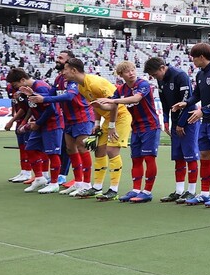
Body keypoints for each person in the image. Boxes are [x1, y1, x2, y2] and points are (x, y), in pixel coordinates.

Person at [50, 58, 132, 201]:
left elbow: (114, 104)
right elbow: (96, 105)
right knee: (99, 150)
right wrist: (97, 123)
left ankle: (113, 190)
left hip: (121, 117)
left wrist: (111, 126)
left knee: (111, 150)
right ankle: (97, 187)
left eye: (65, 70)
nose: (63, 73)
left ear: (74, 70)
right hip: (108, 118)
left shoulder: (95, 83)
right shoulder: (82, 86)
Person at [172, 43, 210, 207]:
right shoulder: (200, 74)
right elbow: (197, 95)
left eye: (194, 57)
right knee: (204, 154)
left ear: (201, 57)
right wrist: (186, 103)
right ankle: (205, 193)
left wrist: (203, 110)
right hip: (206, 120)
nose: (192, 60)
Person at [95, 61, 162, 204]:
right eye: (127, 71)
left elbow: (136, 98)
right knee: (136, 159)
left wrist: (114, 101)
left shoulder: (143, 84)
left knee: (149, 158)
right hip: (136, 127)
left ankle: (147, 192)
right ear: (121, 75)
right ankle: (136, 190)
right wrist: (99, 105)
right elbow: (110, 106)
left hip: (150, 126)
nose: (131, 73)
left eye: (132, 70)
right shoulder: (121, 89)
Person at [145, 56, 200, 203]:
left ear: (162, 68)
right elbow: (164, 103)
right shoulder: (160, 79)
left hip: (189, 119)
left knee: (190, 155)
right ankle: (179, 191)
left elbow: (188, 102)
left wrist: (181, 124)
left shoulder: (180, 76)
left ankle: (191, 191)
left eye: (155, 74)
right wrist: (166, 121)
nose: (154, 77)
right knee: (178, 156)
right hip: (176, 122)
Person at [41, 50, 95, 195]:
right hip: (68, 119)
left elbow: (69, 97)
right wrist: (34, 95)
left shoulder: (76, 80)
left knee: (82, 148)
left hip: (82, 117)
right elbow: (51, 94)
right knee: (70, 149)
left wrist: (44, 99)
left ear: (70, 64)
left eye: (61, 58)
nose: (57, 60)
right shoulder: (59, 79)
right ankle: (78, 182)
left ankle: (87, 184)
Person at [6, 67, 64, 194]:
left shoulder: (41, 87)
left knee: (52, 153)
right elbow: (32, 107)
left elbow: (51, 109)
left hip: (52, 124)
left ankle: (54, 183)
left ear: (22, 80)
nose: (15, 88)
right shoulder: (27, 90)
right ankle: (39, 178)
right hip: (39, 123)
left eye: (15, 85)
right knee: (30, 148)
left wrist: (37, 123)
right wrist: (27, 121)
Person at [5, 80, 34, 183]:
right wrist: (13, 116)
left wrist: (12, 120)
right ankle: (23, 171)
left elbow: (26, 108)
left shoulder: (25, 89)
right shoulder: (10, 88)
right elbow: (14, 104)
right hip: (19, 120)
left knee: (27, 147)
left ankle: (28, 172)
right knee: (21, 147)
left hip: (26, 121)